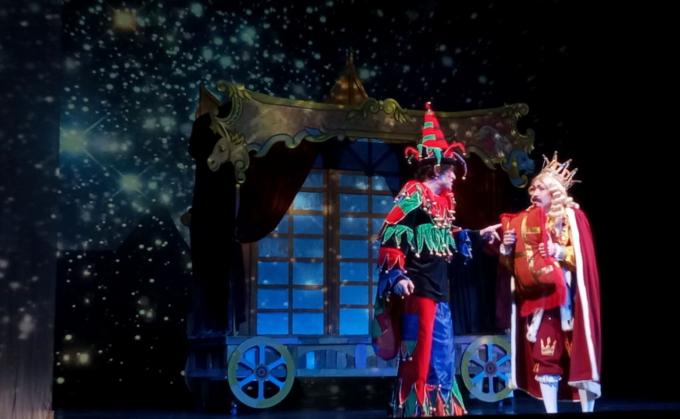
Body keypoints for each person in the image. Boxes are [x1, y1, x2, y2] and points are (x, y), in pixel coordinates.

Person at [371, 102, 500, 417]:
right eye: (451, 170)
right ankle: (418, 408)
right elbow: (390, 232)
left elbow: (445, 235)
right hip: (418, 289)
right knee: (421, 353)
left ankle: (440, 407)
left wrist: (477, 235)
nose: (455, 176)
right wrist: (397, 276)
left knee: (442, 353)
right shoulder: (414, 192)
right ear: (437, 169)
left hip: (439, 288)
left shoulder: (443, 201)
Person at [499, 152, 601, 413]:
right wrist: (507, 248)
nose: (534, 192)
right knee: (545, 356)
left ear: (553, 191)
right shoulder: (524, 220)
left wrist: (560, 252)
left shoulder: (572, 217)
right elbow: (516, 266)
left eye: (540, 188)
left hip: (572, 299)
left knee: (580, 357)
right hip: (542, 299)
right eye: (532, 188)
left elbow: (585, 258)